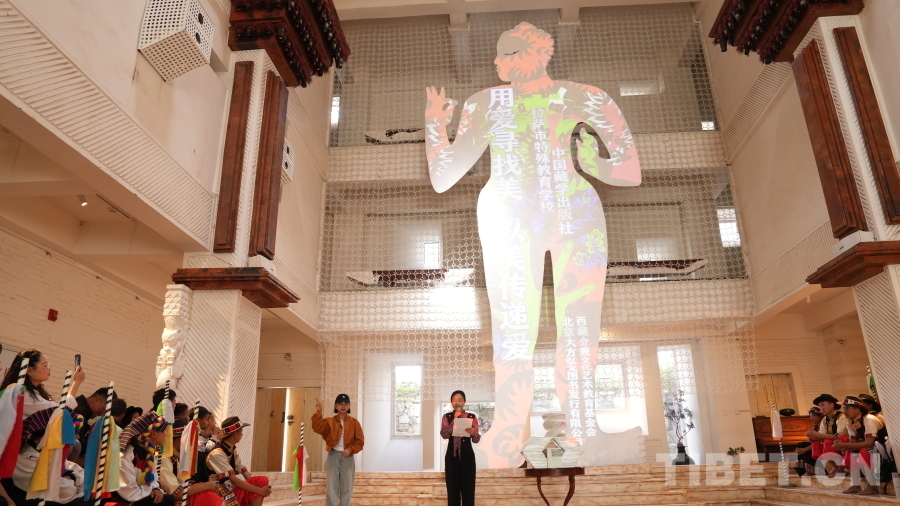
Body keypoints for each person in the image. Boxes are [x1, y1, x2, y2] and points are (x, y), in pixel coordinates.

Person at [424, 22, 642, 467]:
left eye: (507, 53)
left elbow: (629, 171)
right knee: (512, 329)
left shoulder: (586, 96)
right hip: (508, 214)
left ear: (538, 54)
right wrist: (434, 125)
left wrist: (590, 162)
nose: (498, 62)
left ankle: (582, 429)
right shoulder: (484, 102)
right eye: (498, 55)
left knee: (579, 326)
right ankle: (508, 433)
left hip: (576, 214)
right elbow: (444, 177)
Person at [1, 407, 85, 506]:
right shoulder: (28, 460)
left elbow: (79, 472)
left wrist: (71, 477)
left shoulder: (45, 454)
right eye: (72, 438)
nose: (76, 439)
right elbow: (67, 493)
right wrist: (74, 478)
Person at [198, 417, 271, 506]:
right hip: (219, 490)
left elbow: (247, 475)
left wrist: (263, 487)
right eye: (241, 431)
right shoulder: (217, 453)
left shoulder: (232, 451)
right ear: (235, 434)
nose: (242, 434)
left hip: (230, 487)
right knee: (259, 486)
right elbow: (234, 480)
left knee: (262, 480)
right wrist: (260, 490)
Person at [108, 411, 176, 506]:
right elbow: (128, 491)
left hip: (140, 496)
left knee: (168, 499)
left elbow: (153, 481)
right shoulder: (127, 455)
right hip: (124, 501)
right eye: (163, 431)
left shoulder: (149, 454)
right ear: (154, 433)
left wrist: (156, 488)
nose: (166, 434)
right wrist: (157, 486)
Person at [312, 394, 364, 506]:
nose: (343, 406)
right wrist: (319, 411)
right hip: (333, 455)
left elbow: (360, 442)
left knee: (347, 487)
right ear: (336, 406)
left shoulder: (354, 422)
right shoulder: (329, 421)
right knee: (331, 487)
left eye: (346, 404)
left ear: (349, 406)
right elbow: (317, 428)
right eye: (340, 404)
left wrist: (350, 450)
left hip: (348, 457)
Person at [1, 349, 84, 418]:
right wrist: (76, 382)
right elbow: (59, 411)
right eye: (45, 366)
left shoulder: (32, 392)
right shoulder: (23, 394)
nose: (49, 369)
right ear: (30, 370)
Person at [833, 396, 882, 495]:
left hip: (881, 446)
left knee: (865, 451)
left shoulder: (869, 419)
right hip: (867, 445)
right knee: (851, 453)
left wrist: (845, 444)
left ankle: (872, 486)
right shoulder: (850, 421)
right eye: (843, 408)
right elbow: (853, 441)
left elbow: (869, 443)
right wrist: (843, 446)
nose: (844, 411)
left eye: (847, 408)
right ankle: (856, 485)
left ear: (857, 410)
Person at [441, 391, 480, 506]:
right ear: (451, 402)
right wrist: (455, 420)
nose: (457, 402)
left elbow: (476, 439)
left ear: (464, 402)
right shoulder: (447, 417)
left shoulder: (471, 417)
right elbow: (444, 435)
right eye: (454, 400)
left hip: (467, 457)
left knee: (468, 490)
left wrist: (473, 433)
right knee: (452, 490)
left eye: (460, 400)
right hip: (451, 458)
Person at [804, 393, 847, 477]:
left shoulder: (841, 416)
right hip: (832, 441)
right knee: (816, 443)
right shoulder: (825, 419)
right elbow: (822, 434)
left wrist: (817, 434)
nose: (821, 408)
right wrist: (813, 436)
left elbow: (839, 436)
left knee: (827, 441)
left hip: (843, 440)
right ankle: (833, 468)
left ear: (832, 405)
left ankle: (840, 468)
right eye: (820, 406)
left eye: (823, 405)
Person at [188, 406, 218, 483]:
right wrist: (212, 436)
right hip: (194, 478)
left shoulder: (202, 434)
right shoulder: (191, 433)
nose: (207, 423)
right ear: (198, 420)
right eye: (206, 419)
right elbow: (206, 449)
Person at [794, 406, 825, 476]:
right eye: (810, 416)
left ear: (820, 416)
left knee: (804, 446)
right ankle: (802, 470)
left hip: (822, 445)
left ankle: (812, 470)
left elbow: (820, 440)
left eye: (813, 415)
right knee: (800, 444)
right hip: (816, 444)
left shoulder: (824, 425)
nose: (811, 418)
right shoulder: (815, 427)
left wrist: (805, 449)